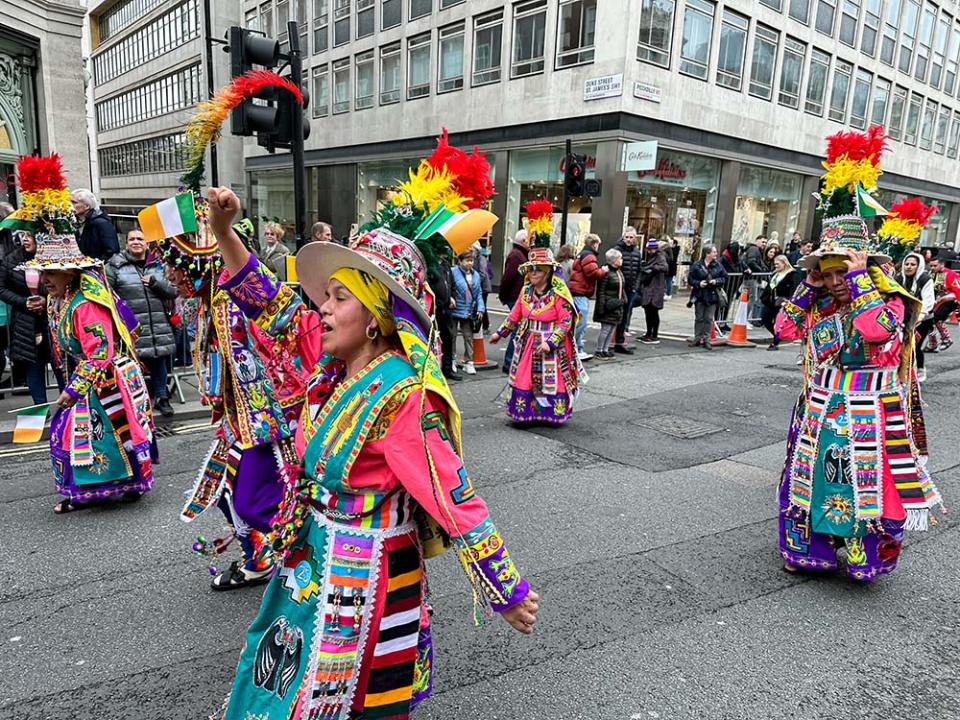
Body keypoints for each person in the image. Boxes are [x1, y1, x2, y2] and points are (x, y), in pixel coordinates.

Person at [203, 180, 538, 719]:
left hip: (369, 578)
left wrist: (506, 589)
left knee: (351, 701)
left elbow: (452, 496)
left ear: (378, 316)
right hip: (312, 558)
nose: (323, 310)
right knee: (280, 682)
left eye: (340, 298)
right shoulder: (331, 363)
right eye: (326, 297)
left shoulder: (402, 395)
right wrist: (223, 233)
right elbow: (269, 303)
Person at [775, 128, 942, 582]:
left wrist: (860, 277)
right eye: (826, 272)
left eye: (838, 272)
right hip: (821, 405)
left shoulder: (890, 301)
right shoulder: (821, 304)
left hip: (869, 411)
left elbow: (872, 332)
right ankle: (812, 552)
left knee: (863, 485)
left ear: (864, 267)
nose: (832, 280)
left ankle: (861, 557)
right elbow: (783, 328)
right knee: (812, 480)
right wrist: (808, 286)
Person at [490, 246, 585, 424]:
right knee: (523, 377)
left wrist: (550, 342)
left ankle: (551, 414)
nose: (532, 273)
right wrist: (500, 333)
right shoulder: (525, 292)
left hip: (550, 345)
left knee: (551, 379)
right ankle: (525, 414)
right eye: (530, 269)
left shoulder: (558, 295)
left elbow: (566, 322)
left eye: (537, 269)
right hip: (528, 342)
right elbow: (514, 315)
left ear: (548, 272)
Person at [105, 229, 178, 417]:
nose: (136, 242)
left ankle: (162, 397)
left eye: (140, 239)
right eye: (132, 239)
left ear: (147, 243)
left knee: (159, 360)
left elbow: (173, 290)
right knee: (133, 364)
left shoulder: (159, 265)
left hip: (157, 323)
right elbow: (107, 295)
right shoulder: (114, 266)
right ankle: (137, 402)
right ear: (126, 243)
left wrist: (155, 283)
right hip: (132, 326)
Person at [0, 231, 57, 404]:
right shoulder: (12, 259)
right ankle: (40, 408)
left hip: (52, 316)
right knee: (33, 365)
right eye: (23, 235)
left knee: (59, 362)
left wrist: (46, 300)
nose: (24, 239)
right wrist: (24, 302)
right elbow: (1, 288)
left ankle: (69, 410)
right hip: (25, 319)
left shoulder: (54, 256)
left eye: (30, 236)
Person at [897, 251, 935, 381]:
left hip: (923, 320)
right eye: (906, 264)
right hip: (903, 319)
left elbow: (928, 302)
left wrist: (917, 318)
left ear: (918, 266)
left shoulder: (925, 279)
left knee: (915, 346)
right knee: (901, 345)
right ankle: (902, 371)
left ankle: (919, 369)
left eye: (913, 264)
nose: (909, 266)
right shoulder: (899, 278)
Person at [568, 233, 605, 360]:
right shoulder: (589, 256)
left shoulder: (581, 254)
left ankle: (578, 348)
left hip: (577, 291)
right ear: (595, 244)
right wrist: (603, 271)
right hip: (580, 292)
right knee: (581, 323)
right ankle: (573, 349)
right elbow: (592, 273)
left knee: (578, 322)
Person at [497, 229, 529, 372]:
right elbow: (507, 278)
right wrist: (503, 296)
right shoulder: (517, 255)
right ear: (523, 241)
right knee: (517, 330)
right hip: (514, 297)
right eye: (529, 240)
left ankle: (512, 362)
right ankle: (509, 363)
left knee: (518, 330)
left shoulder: (520, 254)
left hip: (516, 297)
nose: (531, 244)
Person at [450, 247, 484, 375]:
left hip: (469, 311)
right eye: (467, 260)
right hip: (454, 309)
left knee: (468, 337)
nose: (469, 263)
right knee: (452, 336)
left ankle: (469, 362)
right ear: (460, 261)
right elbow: (449, 288)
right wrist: (450, 299)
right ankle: (452, 359)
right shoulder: (453, 272)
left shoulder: (475, 275)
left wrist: (480, 308)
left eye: (471, 260)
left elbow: (478, 293)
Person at [688, 246, 727, 350]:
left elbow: (724, 277)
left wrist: (716, 281)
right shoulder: (697, 265)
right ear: (707, 254)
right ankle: (697, 338)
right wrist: (699, 283)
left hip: (712, 295)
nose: (716, 253)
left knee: (709, 318)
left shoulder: (718, 265)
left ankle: (706, 339)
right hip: (699, 295)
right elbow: (690, 279)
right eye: (714, 252)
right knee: (699, 318)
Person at [760, 254, 801, 351]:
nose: (776, 266)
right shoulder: (775, 274)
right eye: (775, 264)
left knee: (778, 323)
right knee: (765, 318)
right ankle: (777, 336)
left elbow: (794, 288)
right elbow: (770, 287)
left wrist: (789, 301)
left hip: (782, 302)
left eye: (777, 264)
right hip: (770, 301)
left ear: (784, 263)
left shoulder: (792, 274)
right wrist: (764, 297)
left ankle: (775, 342)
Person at [592, 248, 624, 360]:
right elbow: (601, 291)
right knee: (606, 329)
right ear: (614, 260)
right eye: (620, 258)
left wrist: (623, 299)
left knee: (611, 329)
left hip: (617, 304)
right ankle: (599, 350)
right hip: (608, 305)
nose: (622, 260)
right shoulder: (606, 272)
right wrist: (601, 308)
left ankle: (605, 350)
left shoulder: (618, 272)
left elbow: (621, 287)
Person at [70, 188, 119, 261]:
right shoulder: (76, 222)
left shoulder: (101, 223)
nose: (70, 205)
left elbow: (112, 251)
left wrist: (95, 266)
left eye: (74, 202)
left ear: (86, 206)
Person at [613, 227, 641, 354]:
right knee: (615, 315)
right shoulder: (617, 250)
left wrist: (635, 286)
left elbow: (639, 270)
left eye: (631, 237)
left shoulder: (637, 251)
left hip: (630, 288)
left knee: (625, 315)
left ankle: (619, 340)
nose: (629, 240)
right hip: (619, 287)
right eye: (627, 237)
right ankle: (610, 341)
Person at [637, 237, 668, 344]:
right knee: (648, 311)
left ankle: (654, 334)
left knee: (653, 311)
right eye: (648, 249)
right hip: (649, 288)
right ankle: (649, 332)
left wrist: (653, 268)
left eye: (651, 249)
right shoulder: (652, 257)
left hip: (655, 289)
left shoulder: (660, 256)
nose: (649, 251)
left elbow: (665, 267)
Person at [927, 252, 960, 352]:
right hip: (936, 301)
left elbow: (957, 290)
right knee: (928, 320)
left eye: (935, 265)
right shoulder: (932, 274)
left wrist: (945, 298)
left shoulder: (950, 274)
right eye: (931, 266)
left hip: (951, 300)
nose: (932, 267)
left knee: (936, 318)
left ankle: (946, 339)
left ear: (942, 264)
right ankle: (932, 344)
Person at [743, 234, 767, 321]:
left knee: (750, 298)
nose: (764, 244)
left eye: (765, 243)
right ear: (757, 240)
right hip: (751, 278)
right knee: (751, 298)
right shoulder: (754, 249)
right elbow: (751, 261)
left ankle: (744, 318)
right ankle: (744, 319)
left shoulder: (755, 250)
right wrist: (760, 270)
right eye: (763, 241)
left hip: (752, 277)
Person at [475, 240, 495, 333]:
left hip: (483, 287)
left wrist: (474, 282)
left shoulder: (481, 258)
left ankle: (485, 326)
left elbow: (482, 273)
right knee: (479, 305)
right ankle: (479, 325)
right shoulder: (476, 257)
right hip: (482, 286)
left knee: (482, 306)